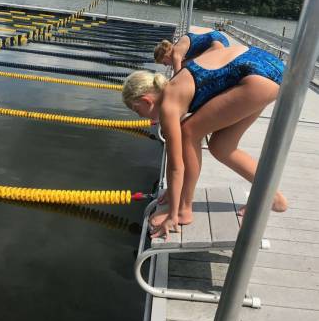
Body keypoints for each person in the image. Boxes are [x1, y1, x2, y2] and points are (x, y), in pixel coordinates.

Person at [122, 44, 288, 239]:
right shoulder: (174, 85)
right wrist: (175, 191)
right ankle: (272, 197)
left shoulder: (168, 107)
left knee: (188, 132)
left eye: (136, 110)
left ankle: (184, 210)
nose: (140, 116)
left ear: (146, 100)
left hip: (255, 78)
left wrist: (172, 214)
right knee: (221, 147)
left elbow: (176, 167)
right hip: (267, 68)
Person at [154, 30, 230, 73]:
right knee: (186, 64)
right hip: (218, 38)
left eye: (164, 63)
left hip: (218, 44)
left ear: (165, 55)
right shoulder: (178, 45)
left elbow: (177, 77)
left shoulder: (176, 54)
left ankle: (215, 49)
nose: (166, 65)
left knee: (187, 66)